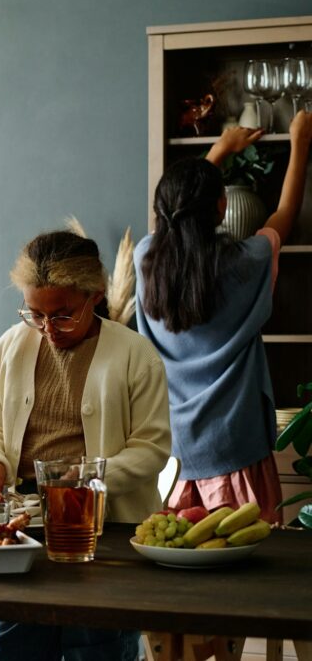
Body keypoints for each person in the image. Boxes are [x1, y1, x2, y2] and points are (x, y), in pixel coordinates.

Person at [0, 230, 171, 661]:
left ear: (94, 295)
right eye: (35, 314)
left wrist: (80, 484)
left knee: (96, 648)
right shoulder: (9, 346)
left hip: (107, 536)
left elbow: (151, 450)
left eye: (62, 315)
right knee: (14, 649)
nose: (47, 329)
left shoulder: (136, 355)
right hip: (26, 533)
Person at [136, 112, 312, 524]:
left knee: (178, 561)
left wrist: (218, 150)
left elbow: (175, 215)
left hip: (173, 459)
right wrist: (299, 144)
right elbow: (283, 216)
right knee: (245, 567)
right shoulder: (246, 263)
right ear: (223, 206)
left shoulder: (146, 258)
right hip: (236, 450)